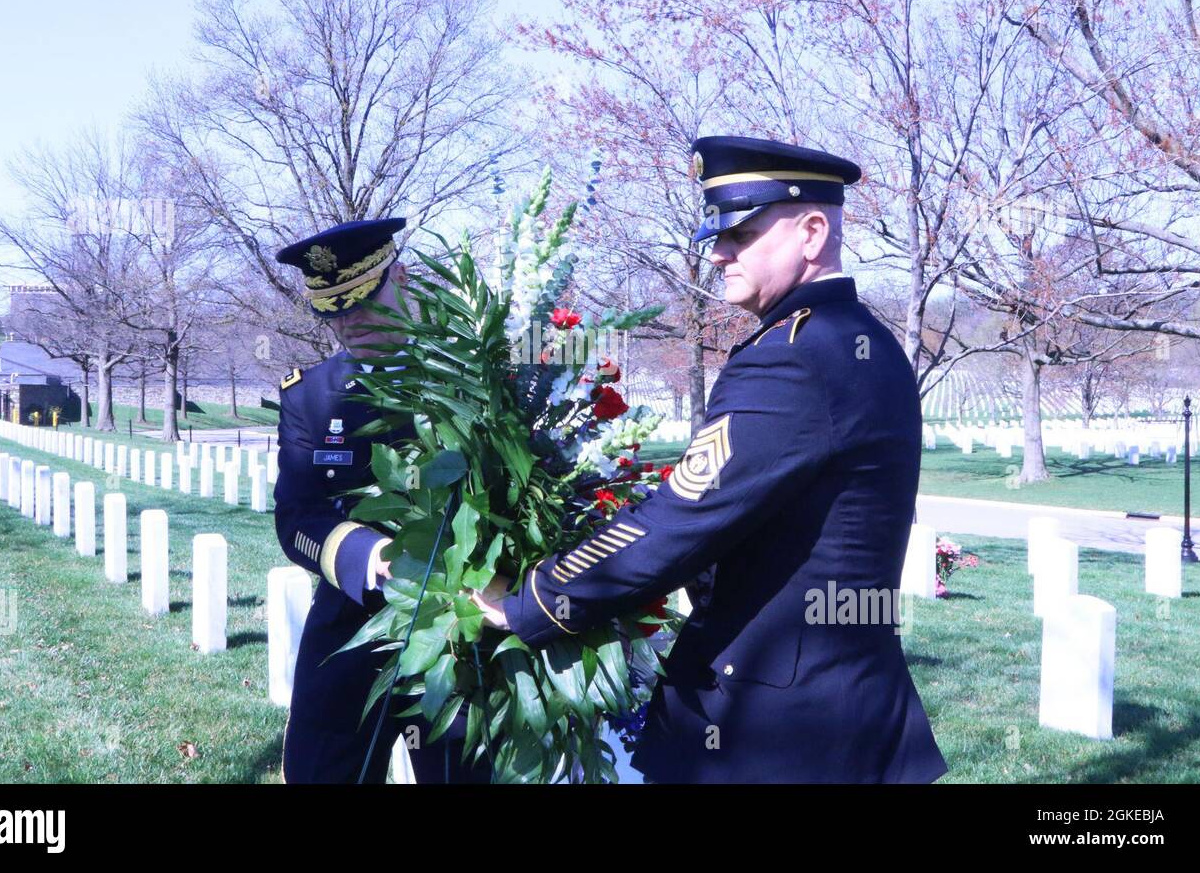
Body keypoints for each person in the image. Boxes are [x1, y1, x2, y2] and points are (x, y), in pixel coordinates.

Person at [473, 136, 949, 782]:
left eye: (741, 234)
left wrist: (537, 599)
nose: (718, 253)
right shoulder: (859, 339)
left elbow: (685, 513)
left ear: (812, 232)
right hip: (837, 705)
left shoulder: (796, 354)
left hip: (774, 725)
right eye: (717, 236)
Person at [273, 218, 488, 784]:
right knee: (320, 770)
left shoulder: (473, 375)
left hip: (465, 629)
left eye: (365, 299)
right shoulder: (310, 396)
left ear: (403, 277)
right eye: (333, 310)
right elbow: (298, 516)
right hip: (352, 621)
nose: (350, 321)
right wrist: (373, 557)